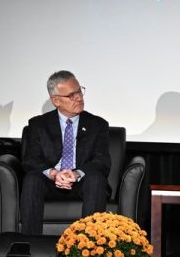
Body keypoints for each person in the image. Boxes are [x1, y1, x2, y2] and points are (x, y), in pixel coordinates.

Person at [19, 70, 111, 234]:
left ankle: (90, 245)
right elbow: (31, 160)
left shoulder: (98, 125)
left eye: (79, 91)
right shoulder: (38, 125)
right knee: (32, 178)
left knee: (96, 178)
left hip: (82, 181)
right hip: (50, 182)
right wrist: (54, 173)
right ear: (56, 101)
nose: (79, 98)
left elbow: (101, 161)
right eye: (71, 95)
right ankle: (30, 245)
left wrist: (75, 174)